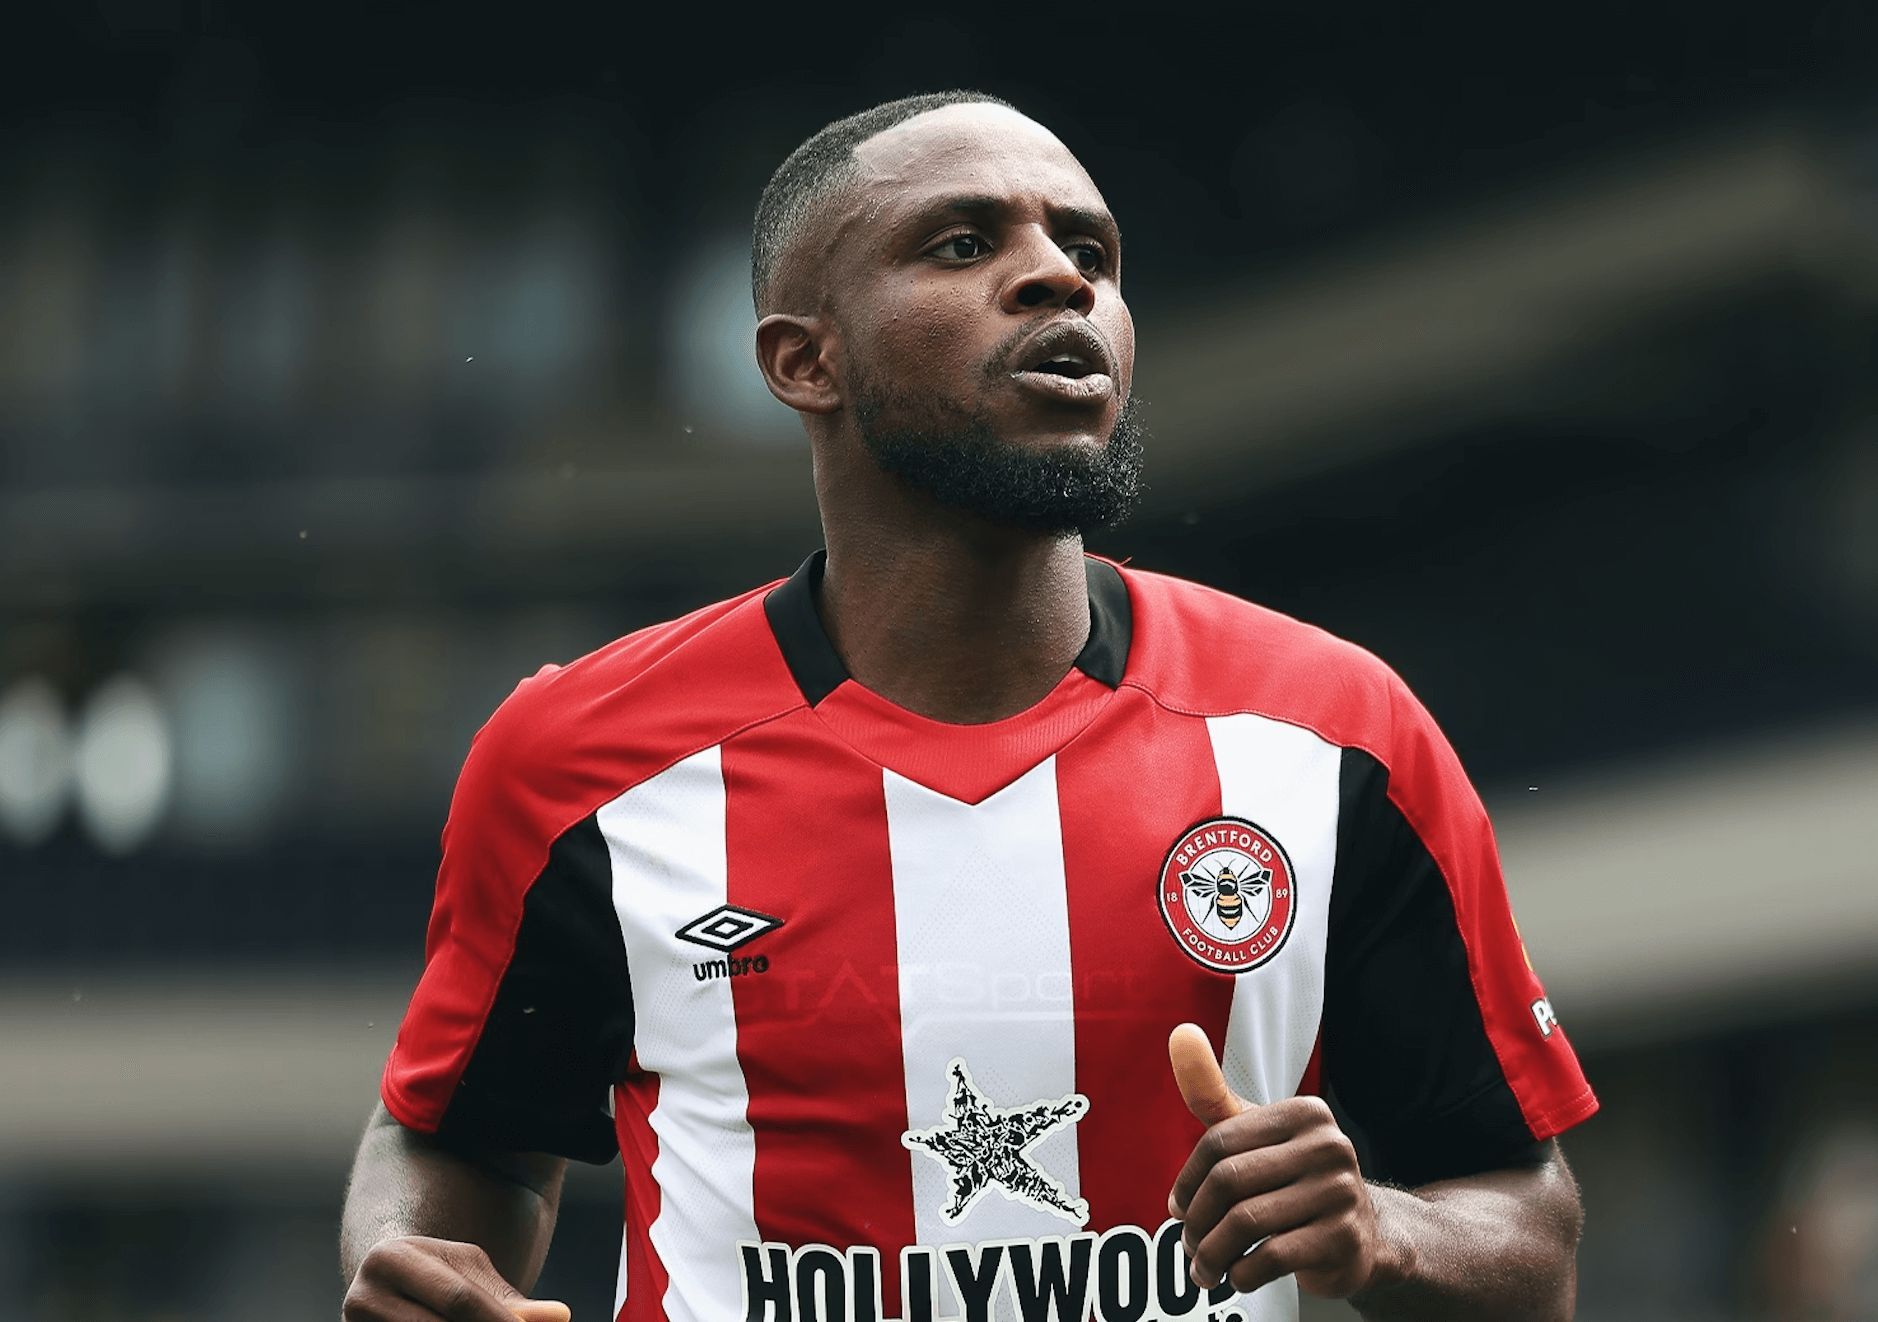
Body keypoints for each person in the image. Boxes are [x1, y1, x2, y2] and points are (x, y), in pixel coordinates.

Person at [340, 90, 1598, 1322]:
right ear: (803, 359)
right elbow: (464, 1146)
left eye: (1090, 250)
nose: (1061, 279)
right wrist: (414, 1259)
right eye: (963, 242)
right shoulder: (580, 763)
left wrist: (1386, 1233)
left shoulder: (1333, 736)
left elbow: (1528, 1233)